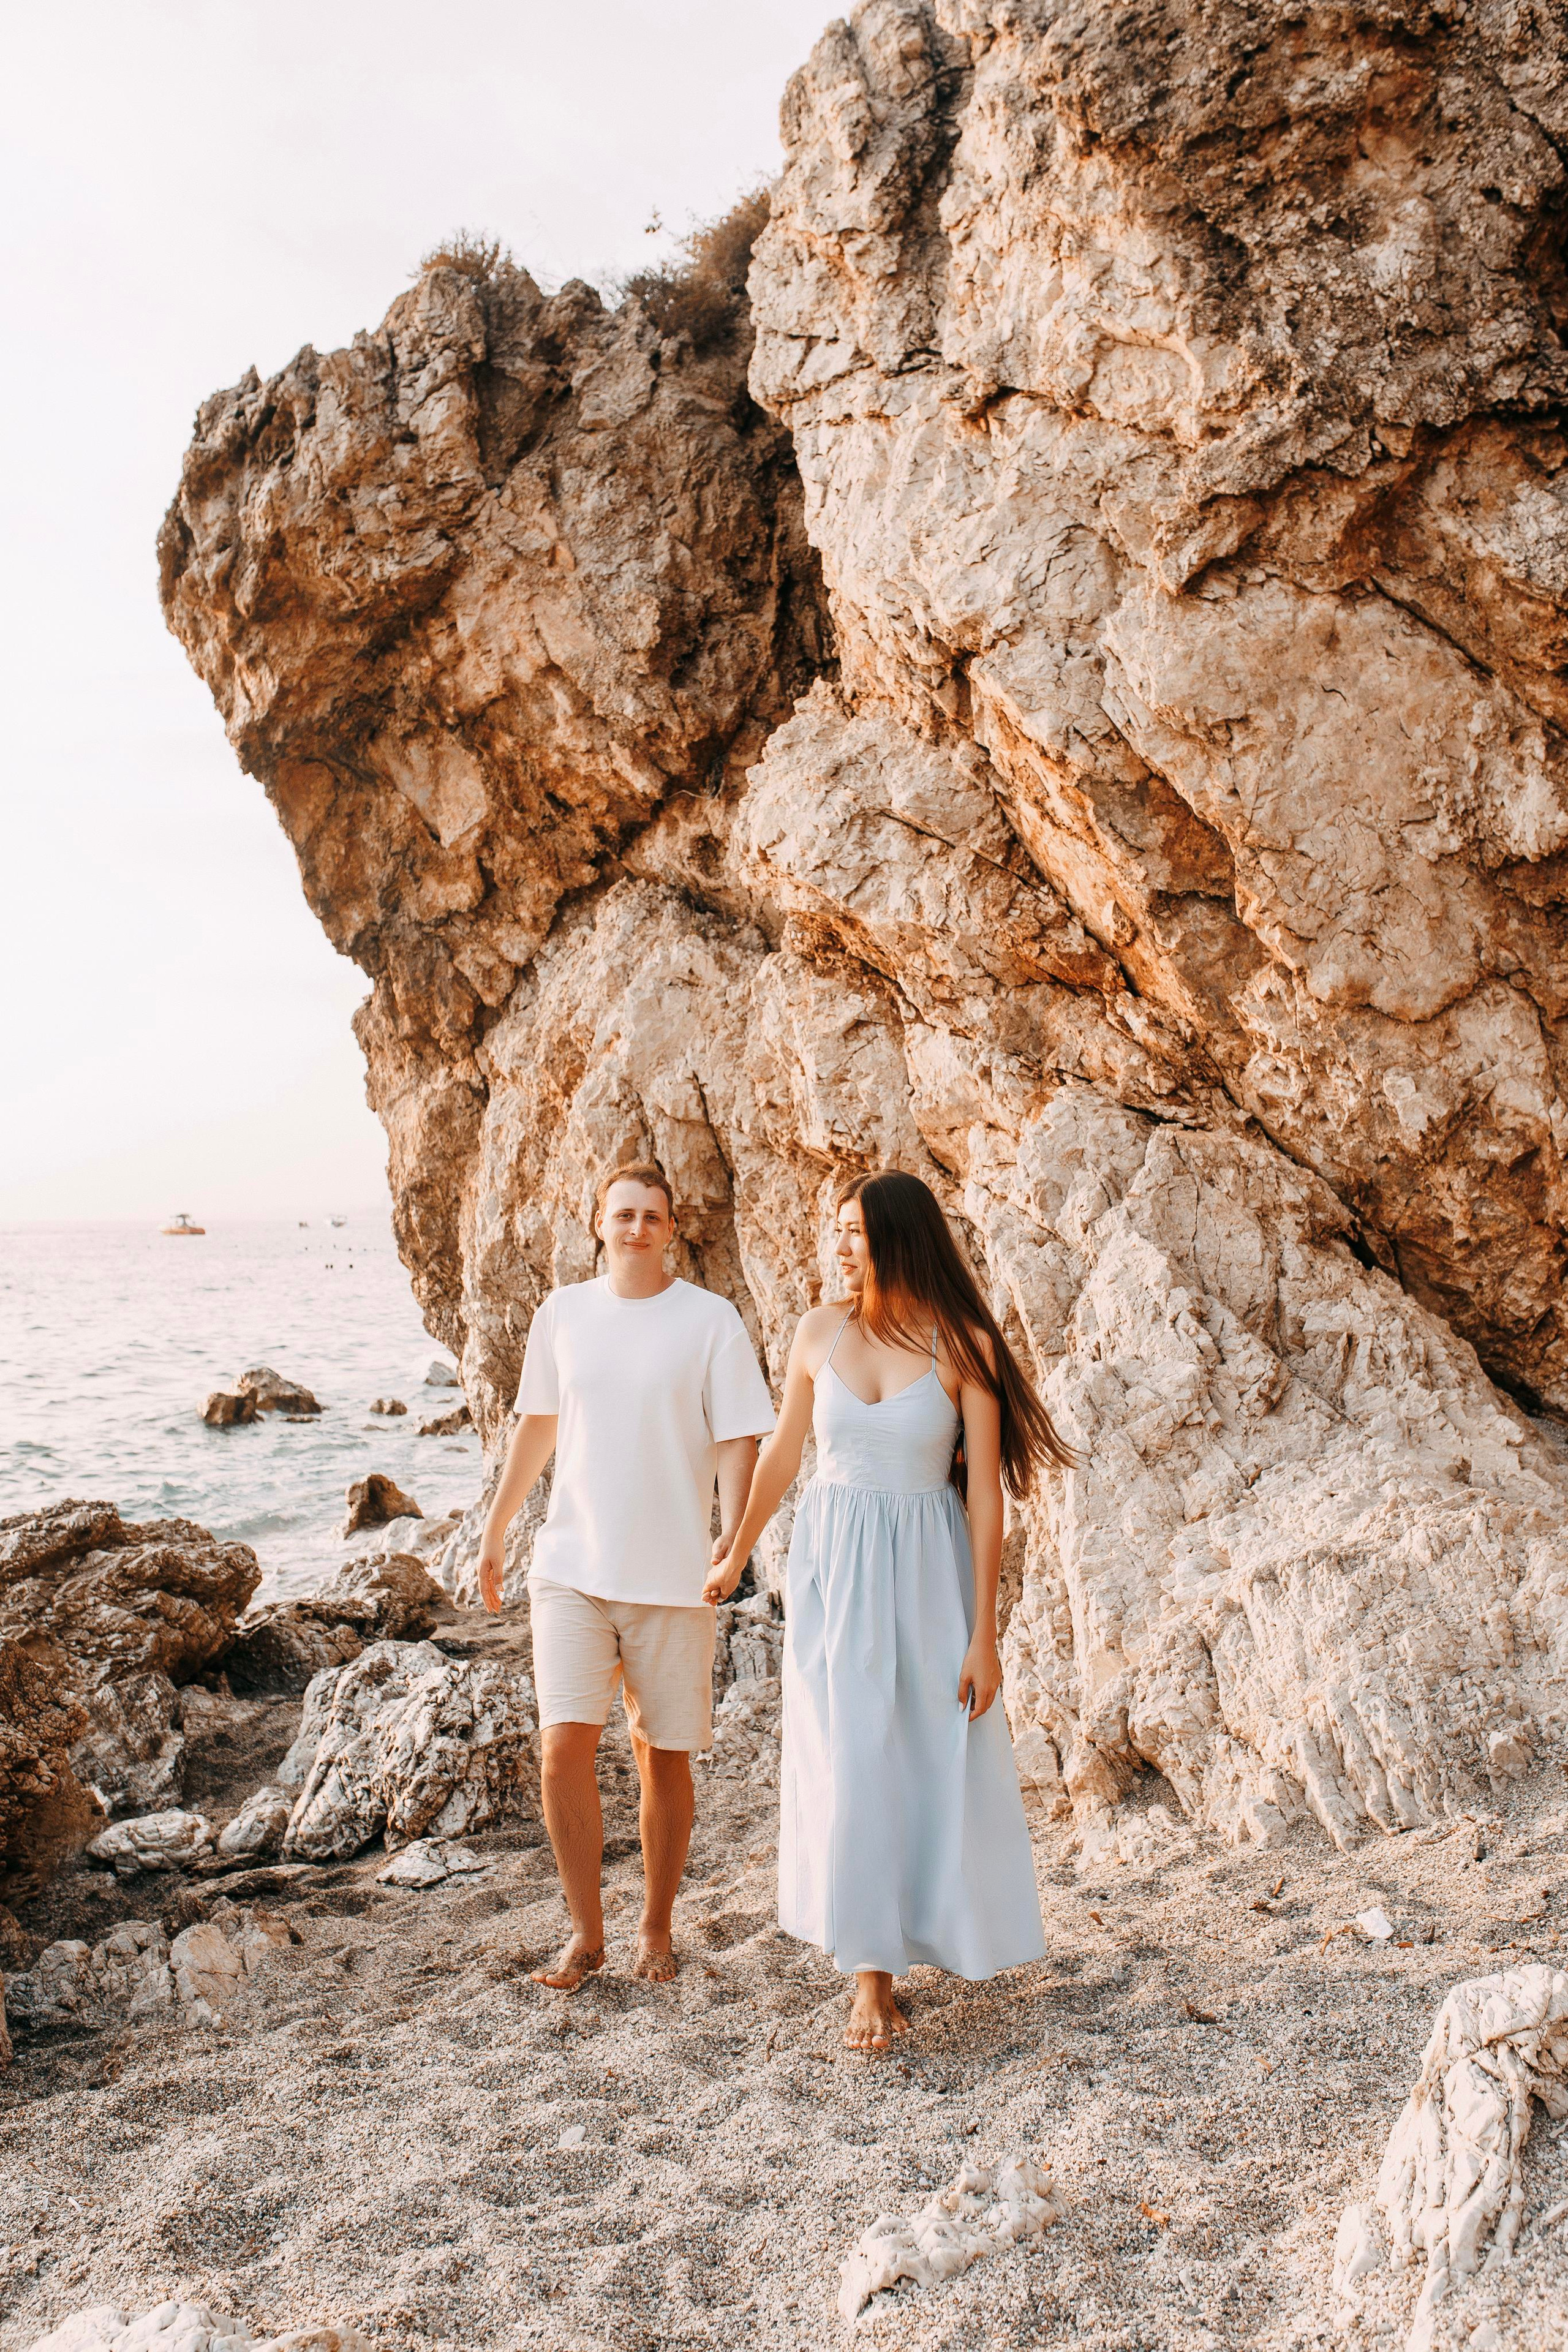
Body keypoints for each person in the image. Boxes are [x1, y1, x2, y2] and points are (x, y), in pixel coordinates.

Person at [705, 1168, 1075, 2054]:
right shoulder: (815, 1333)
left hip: (930, 1573)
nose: (840, 1245)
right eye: (835, 1229)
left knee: (924, 1758)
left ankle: (927, 1933)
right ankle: (869, 1976)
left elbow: (986, 1500)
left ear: (900, 1238)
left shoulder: (965, 1345)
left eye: (857, 1232)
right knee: (851, 1759)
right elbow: (783, 1458)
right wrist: (734, 1552)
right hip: (833, 1572)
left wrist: (985, 1634)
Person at [477, 1162, 775, 1991]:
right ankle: (584, 1933)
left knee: (662, 1758)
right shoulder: (562, 1315)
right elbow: (539, 1424)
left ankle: (654, 1926)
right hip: (571, 1566)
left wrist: (731, 1541)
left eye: (652, 1216)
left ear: (672, 1229)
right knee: (562, 1750)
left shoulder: (710, 1321)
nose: (637, 1226)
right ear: (597, 1223)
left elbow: (738, 1438)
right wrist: (500, 1527)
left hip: (674, 1576)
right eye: (623, 1214)